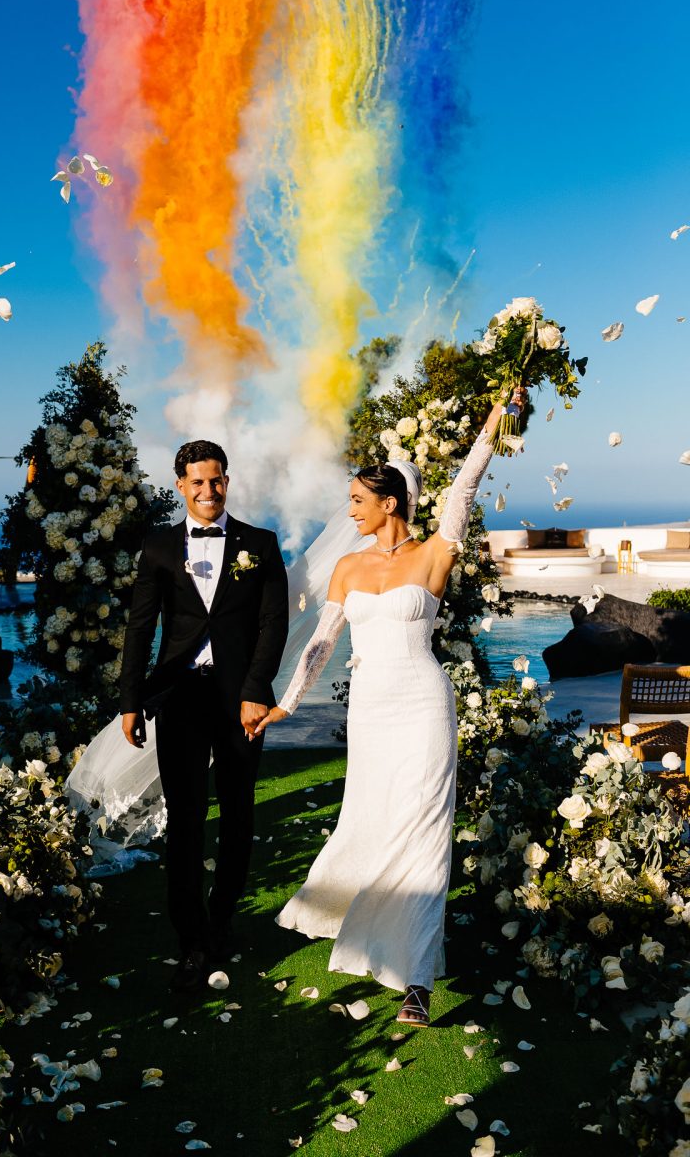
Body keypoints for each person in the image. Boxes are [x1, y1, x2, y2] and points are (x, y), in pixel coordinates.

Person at [255, 390, 528, 1026]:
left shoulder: (435, 553)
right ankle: (371, 934)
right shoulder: (347, 569)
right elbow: (321, 647)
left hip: (425, 704)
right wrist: (286, 704)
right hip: (373, 713)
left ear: (390, 503)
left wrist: (495, 416)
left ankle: (418, 981)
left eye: (357, 499)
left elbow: (464, 485)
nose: (349, 509)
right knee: (375, 822)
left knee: (425, 830)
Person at [116, 440, 289, 991]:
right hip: (181, 697)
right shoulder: (159, 547)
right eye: (197, 482)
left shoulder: (259, 544)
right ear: (180, 486)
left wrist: (256, 691)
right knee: (186, 821)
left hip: (241, 699)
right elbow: (141, 627)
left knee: (238, 815)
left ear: (227, 481)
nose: (208, 491)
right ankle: (191, 940)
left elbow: (273, 625)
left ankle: (220, 922)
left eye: (215, 481)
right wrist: (131, 700)